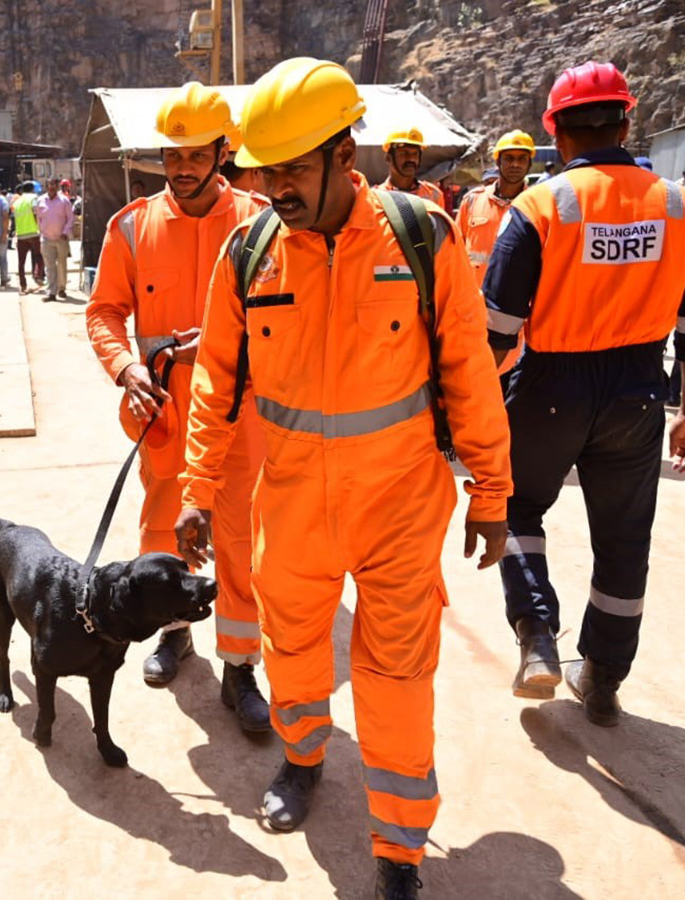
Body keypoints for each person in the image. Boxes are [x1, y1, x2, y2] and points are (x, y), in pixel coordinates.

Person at [174, 59, 510, 898]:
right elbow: (216, 376)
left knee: (397, 683)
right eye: (267, 169)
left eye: (294, 167)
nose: (277, 186)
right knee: (293, 660)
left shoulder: (421, 238)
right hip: (288, 509)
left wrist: (493, 491)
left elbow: (469, 368)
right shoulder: (250, 254)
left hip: (400, 507)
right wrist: (195, 486)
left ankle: (398, 848)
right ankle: (303, 760)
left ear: (344, 150)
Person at [483, 61, 685, 726]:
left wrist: (472, 410)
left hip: (552, 385)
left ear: (556, 134)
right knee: (625, 539)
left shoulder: (541, 206)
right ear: (626, 122)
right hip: (638, 389)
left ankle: (538, 640)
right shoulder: (675, 204)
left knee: (514, 507)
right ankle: (601, 678)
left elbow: (499, 328)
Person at [86, 81, 271, 731]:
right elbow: (105, 312)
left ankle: (241, 665)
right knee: (164, 530)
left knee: (240, 539)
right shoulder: (132, 228)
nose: (184, 167)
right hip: (164, 413)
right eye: (172, 155)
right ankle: (174, 630)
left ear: (224, 152)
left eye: (196, 154)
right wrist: (126, 366)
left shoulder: (257, 223)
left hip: (241, 415)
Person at [457, 130, 536, 384]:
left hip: (514, 322)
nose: (515, 164)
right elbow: (455, 254)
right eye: (509, 158)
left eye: (521, 159)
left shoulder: (537, 206)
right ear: (498, 161)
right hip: (471, 314)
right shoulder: (472, 202)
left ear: (529, 164)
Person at [376, 128, 447, 211]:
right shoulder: (376, 197)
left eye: (415, 154)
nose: (411, 158)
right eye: (403, 153)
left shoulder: (433, 194)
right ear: (388, 158)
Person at [36, 178, 75, 301]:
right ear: (46, 186)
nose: (52, 187)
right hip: (46, 239)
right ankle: (51, 292)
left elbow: (70, 218)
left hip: (61, 238)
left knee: (61, 265)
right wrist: (41, 232)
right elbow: (39, 218)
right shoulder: (40, 200)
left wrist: (65, 232)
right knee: (49, 266)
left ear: (57, 186)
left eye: (54, 184)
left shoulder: (64, 201)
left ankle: (61, 289)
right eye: (49, 184)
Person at [10, 182, 45, 294]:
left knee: (21, 261)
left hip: (21, 234)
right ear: (32, 189)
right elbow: (35, 212)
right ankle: (38, 275)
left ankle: (23, 285)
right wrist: (39, 226)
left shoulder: (17, 202)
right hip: (34, 232)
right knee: (39, 256)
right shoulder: (34, 198)